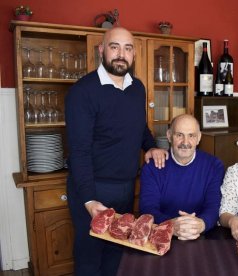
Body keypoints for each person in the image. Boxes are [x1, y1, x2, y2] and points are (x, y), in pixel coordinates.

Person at [65, 27, 168, 275]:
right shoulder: (83, 91)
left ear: (133, 54)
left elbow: (139, 127)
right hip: (92, 187)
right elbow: (78, 151)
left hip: (125, 186)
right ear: (102, 50)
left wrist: (151, 146)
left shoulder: (137, 87)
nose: (121, 54)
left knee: (116, 254)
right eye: (115, 47)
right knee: (90, 257)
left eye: (128, 48)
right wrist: (89, 200)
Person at [139, 114, 225, 240]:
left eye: (191, 135)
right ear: (169, 136)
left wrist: (201, 224)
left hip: (200, 234)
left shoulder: (214, 166)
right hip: (161, 234)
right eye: (179, 135)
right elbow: (147, 208)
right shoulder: (152, 167)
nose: (185, 142)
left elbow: (214, 206)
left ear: (199, 138)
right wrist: (172, 225)